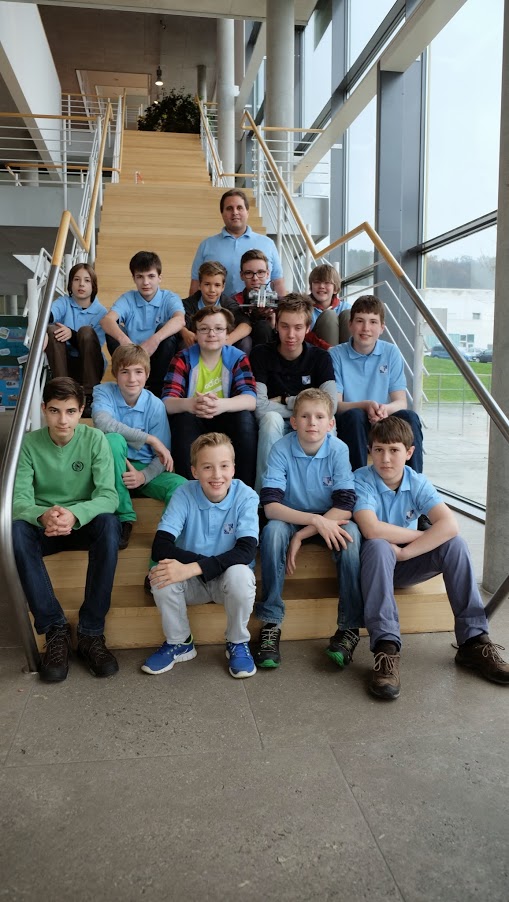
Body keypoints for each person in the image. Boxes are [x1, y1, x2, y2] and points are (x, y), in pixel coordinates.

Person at [353, 416, 509, 700]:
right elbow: (371, 529)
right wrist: (420, 536)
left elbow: (450, 525)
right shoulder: (362, 479)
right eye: (378, 450)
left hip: (407, 562)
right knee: (378, 546)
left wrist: (406, 551)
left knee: (455, 545)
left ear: (409, 452)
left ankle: (474, 641)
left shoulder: (416, 481)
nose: (385, 458)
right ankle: (386, 648)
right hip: (374, 566)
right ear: (370, 451)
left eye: (394, 450)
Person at [12, 377, 120, 682]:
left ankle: (91, 632)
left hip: (81, 523)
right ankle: (54, 629)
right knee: (16, 531)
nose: (63, 420)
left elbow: (108, 497)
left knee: (110, 524)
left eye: (71, 411)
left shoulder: (95, 439)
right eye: (55, 411)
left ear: (81, 410)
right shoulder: (28, 444)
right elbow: (18, 502)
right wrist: (43, 515)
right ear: (43, 409)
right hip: (44, 525)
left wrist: (74, 514)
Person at [255, 388, 363, 669]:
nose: (312, 422)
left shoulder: (339, 449)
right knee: (272, 532)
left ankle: (349, 628)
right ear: (293, 422)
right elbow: (271, 507)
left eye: (319, 417)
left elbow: (346, 505)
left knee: (351, 536)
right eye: (304, 416)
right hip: (291, 514)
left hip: (331, 516)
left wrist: (304, 534)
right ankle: (270, 622)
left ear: (331, 423)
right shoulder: (281, 448)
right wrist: (313, 522)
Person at [141, 432, 259, 679]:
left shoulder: (246, 496)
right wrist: (194, 570)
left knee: (241, 573)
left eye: (224, 466)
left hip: (227, 582)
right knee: (160, 573)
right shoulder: (183, 493)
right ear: (194, 471)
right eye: (207, 467)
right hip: (193, 584)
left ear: (233, 468)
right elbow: (160, 547)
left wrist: (193, 567)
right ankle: (180, 642)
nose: (217, 475)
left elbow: (246, 550)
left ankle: (237, 641)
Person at [91, 345, 187, 551]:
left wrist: (143, 476)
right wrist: (149, 439)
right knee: (113, 440)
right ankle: (123, 518)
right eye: (125, 372)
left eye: (138, 372)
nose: (132, 379)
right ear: (115, 374)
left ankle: (166, 540)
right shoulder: (103, 392)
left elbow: (162, 456)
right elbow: (102, 423)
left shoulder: (155, 405)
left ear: (147, 374)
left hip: (144, 468)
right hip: (111, 467)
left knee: (181, 486)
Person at [162, 305, 258, 487]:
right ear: (196, 333)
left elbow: (250, 399)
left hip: (225, 416)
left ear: (227, 333)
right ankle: (187, 489)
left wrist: (221, 404)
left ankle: (244, 488)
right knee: (182, 419)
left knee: (244, 418)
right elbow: (167, 402)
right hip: (194, 418)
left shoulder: (237, 357)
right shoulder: (183, 358)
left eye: (219, 328)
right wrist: (191, 404)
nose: (211, 334)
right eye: (204, 329)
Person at [250, 294, 337, 492]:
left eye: (298, 328)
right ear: (276, 325)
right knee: (271, 419)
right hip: (277, 423)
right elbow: (260, 407)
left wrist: (285, 400)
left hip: (308, 423)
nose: (291, 335)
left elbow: (330, 406)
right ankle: (267, 493)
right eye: (285, 326)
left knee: (327, 423)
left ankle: (326, 492)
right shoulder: (261, 354)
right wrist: (310, 408)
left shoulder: (320, 357)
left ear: (307, 328)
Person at [330, 294, 423, 472]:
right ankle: (357, 481)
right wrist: (365, 406)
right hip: (351, 422)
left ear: (382, 328)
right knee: (355, 416)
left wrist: (384, 410)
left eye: (373, 322)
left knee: (410, 417)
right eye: (360, 321)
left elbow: (400, 401)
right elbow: (337, 405)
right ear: (350, 325)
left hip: (382, 419)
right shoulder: (336, 354)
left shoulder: (391, 352)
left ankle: (415, 481)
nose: (366, 328)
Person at [101, 251, 185, 398]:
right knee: (114, 330)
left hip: (159, 357)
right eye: (140, 277)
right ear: (134, 278)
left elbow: (180, 320)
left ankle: (157, 388)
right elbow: (106, 320)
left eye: (151, 276)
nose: (145, 282)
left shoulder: (169, 297)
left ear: (159, 278)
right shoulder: (128, 298)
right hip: (131, 357)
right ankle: (127, 381)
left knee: (166, 330)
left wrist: (155, 339)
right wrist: (124, 341)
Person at [189, 189, 286, 298]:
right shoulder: (206, 245)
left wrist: (282, 307)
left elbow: (278, 282)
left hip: (260, 307)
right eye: (229, 208)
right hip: (218, 308)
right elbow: (196, 284)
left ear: (247, 212)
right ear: (222, 213)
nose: (235, 212)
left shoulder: (268, 243)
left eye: (239, 208)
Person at [46, 263, 106, 416]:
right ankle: (62, 391)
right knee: (52, 329)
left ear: (93, 286)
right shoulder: (63, 303)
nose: (81, 284)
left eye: (87, 280)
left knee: (86, 331)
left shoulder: (101, 312)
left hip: (90, 367)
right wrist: (43, 332)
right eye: (76, 279)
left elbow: (94, 347)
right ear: (70, 284)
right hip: (64, 366)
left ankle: (89, 396)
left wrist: (72, 335)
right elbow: (48, 315)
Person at [181, 260, 252, 354]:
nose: (212, 290)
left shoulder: (229, 304)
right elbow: (177, 322)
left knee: (246, 341)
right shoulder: (187, 304)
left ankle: (238, 364)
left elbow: (246, 325)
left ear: (223, 287)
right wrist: (184, 332)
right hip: (197, 346)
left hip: (223, 348)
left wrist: (228, 341)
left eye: (217, 285)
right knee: (183, 342)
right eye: (207, 284)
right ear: (199, 285)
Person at [232, 249, 278, 347]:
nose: (255, 278)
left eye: (260, 272)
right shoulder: (233, 302)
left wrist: (273, 326)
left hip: (270, 348)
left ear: (268, 274)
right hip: (243, 347)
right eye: (249, 273)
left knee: (263, 327)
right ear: (242, 275)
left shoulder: (278, 302)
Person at [307, 262, 350, 348]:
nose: (321, 286)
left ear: (335, 289)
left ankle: (351, 356)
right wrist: (328, 347)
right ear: (311, 287)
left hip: (343, 351)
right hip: (316, 350)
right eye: (317, 282)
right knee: (329, 315)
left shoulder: (345, 307)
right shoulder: (303, 307)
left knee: (349, 314)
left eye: (327, 282)